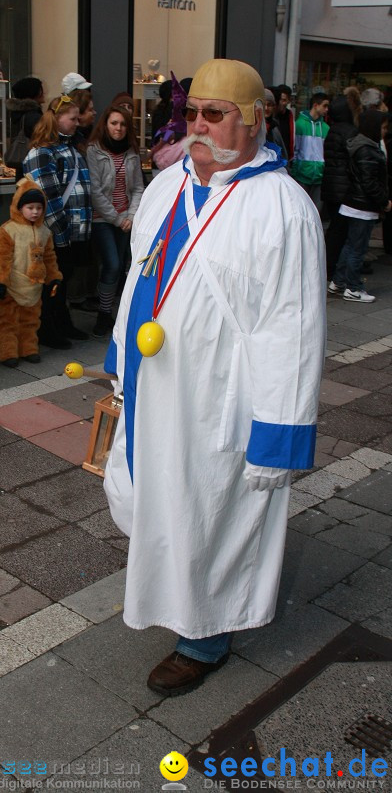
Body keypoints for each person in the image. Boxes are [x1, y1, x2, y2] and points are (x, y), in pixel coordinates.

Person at [103, 58, 326, 696]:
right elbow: (137, 280)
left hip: (219, 402)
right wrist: (121, 364)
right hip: (157, 385)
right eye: (192, 113)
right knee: (155, 500)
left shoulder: (281, 208)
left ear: (254, 122)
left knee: (212, 511)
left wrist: (280, 432)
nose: (199, 126)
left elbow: (295, 328)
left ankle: (205, 635)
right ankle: (174, 596)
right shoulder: (168, 185)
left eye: (216, 114)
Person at [23, 95, 92, 349]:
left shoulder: (71, 148)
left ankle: (61, 322)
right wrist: (62, 234)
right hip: (55, 233)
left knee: (61, 280)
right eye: (73, 118)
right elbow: (48, 200)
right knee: (50, 282)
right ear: (57, 118)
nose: (77, 123)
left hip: (71, 231)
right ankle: (46, 329)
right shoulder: (41, 153)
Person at [86, 105, 144, 337]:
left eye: (122, 124)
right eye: (114, 123)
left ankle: (112, 312)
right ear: (105, 125)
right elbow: (95, 191)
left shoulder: (131, 151)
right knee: (112, 264)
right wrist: (118, 219)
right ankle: (102, 314)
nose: (118, 128)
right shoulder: (94, 150)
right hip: (103, 219)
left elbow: (138, 187)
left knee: (121, 268)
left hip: (126, 219)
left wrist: (130, 216)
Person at [0, 177, 62, 367]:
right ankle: (7, 352)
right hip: (12, 285)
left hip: (33, 287)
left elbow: (49, 258)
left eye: (38, 208)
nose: (35, 212)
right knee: (7, 321)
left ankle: (28, 348)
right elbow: (1, 258)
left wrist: (53, 278)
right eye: (30, 207)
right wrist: (0, 281)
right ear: (19, 206)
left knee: (30, 321)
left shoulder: (45, 232)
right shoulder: (8, 230)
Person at [328, 110, 390, 303]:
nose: (384, 131)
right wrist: (384, 201)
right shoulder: (367, 149)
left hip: (354, 204)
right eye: (382, 127)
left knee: (350, 246)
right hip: (362, 206)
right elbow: (369, 181)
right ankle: (353, 287)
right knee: (357, 248)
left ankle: (339, 282)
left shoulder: (362, 146)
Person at [322, 88, 361, 280]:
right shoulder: (350, 132)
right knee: (340, 231)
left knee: (335, 230)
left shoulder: (333, 130)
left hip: (331, 187)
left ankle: (329, 265)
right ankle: (331, 268)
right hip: (343, 189)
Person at [290, 92, 329, 211]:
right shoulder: (300, 125)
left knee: (316, 211)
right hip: (302, 175)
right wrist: (296, 171)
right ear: (316, 105)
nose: (327, 109)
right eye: (325, 106)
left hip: (318, 176)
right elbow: (295, 149)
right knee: (301, 209)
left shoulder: (326, 128)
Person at [5, 77, 45, 180]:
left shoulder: (18, 114)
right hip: (34, 168)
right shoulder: (34, 117)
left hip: (22, 169)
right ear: (36, 92)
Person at [263, 88, 287, 159]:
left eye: (269, 105)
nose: (266, 108)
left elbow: (282, 152)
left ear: (274, 107)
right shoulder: (252, 126)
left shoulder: (275, 127)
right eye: (264, 104)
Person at [275, 84, 295, 161]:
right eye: (279, 99)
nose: (281, 103)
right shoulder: (272, 116)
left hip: (286, 158)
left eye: (284, 100)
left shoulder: (289, 115)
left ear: (288, 101)